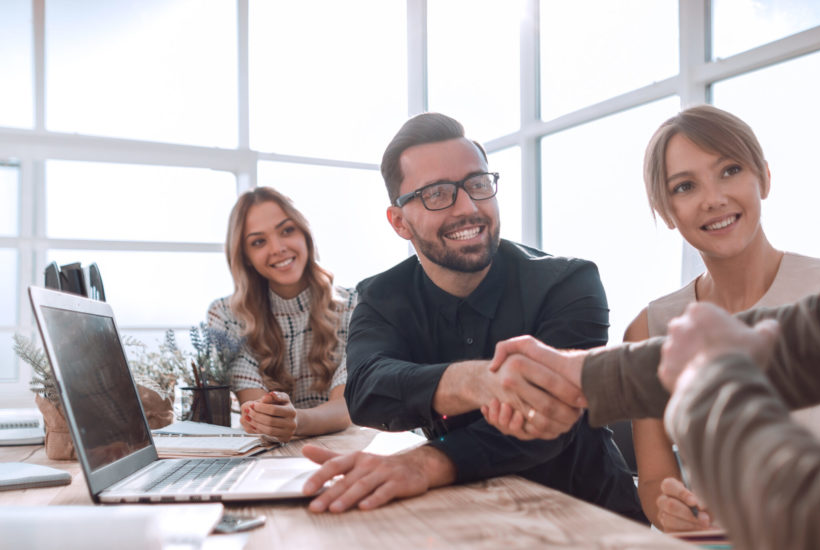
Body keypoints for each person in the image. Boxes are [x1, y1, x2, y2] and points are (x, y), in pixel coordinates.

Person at [481, 0, 820, 547]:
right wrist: (577, 375)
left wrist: (707, 382)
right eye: (685, 186)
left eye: (730, 170)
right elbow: (814, 337)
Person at [298, 112, 643, 522]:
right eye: (437, 194)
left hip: (591, 520)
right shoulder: (381, 296)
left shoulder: (569, 282)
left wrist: (426, 463)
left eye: (478, 185)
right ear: (399, 222)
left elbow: (551, 416)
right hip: (463, 516)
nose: (468, 207)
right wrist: (474, 381)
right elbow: (368, 391)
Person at [625, 104, 820, 532]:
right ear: (667, 210)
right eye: (685, 186)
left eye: (730, 170)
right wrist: (671, 511)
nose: (713, 199)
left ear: (764, 177)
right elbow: (656, 478)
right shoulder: (649, 328)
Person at [206, 187, 356, 443]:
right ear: (247, 257)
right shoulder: (226, 315)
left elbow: (347, 406)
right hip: (268, 455)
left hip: (343, 447)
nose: (278, 248)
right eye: (258, 242)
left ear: (305, 235)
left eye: (287, 230)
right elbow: (257, 412)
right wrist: (270, 417)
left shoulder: (354, 305)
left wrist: (295, 420)